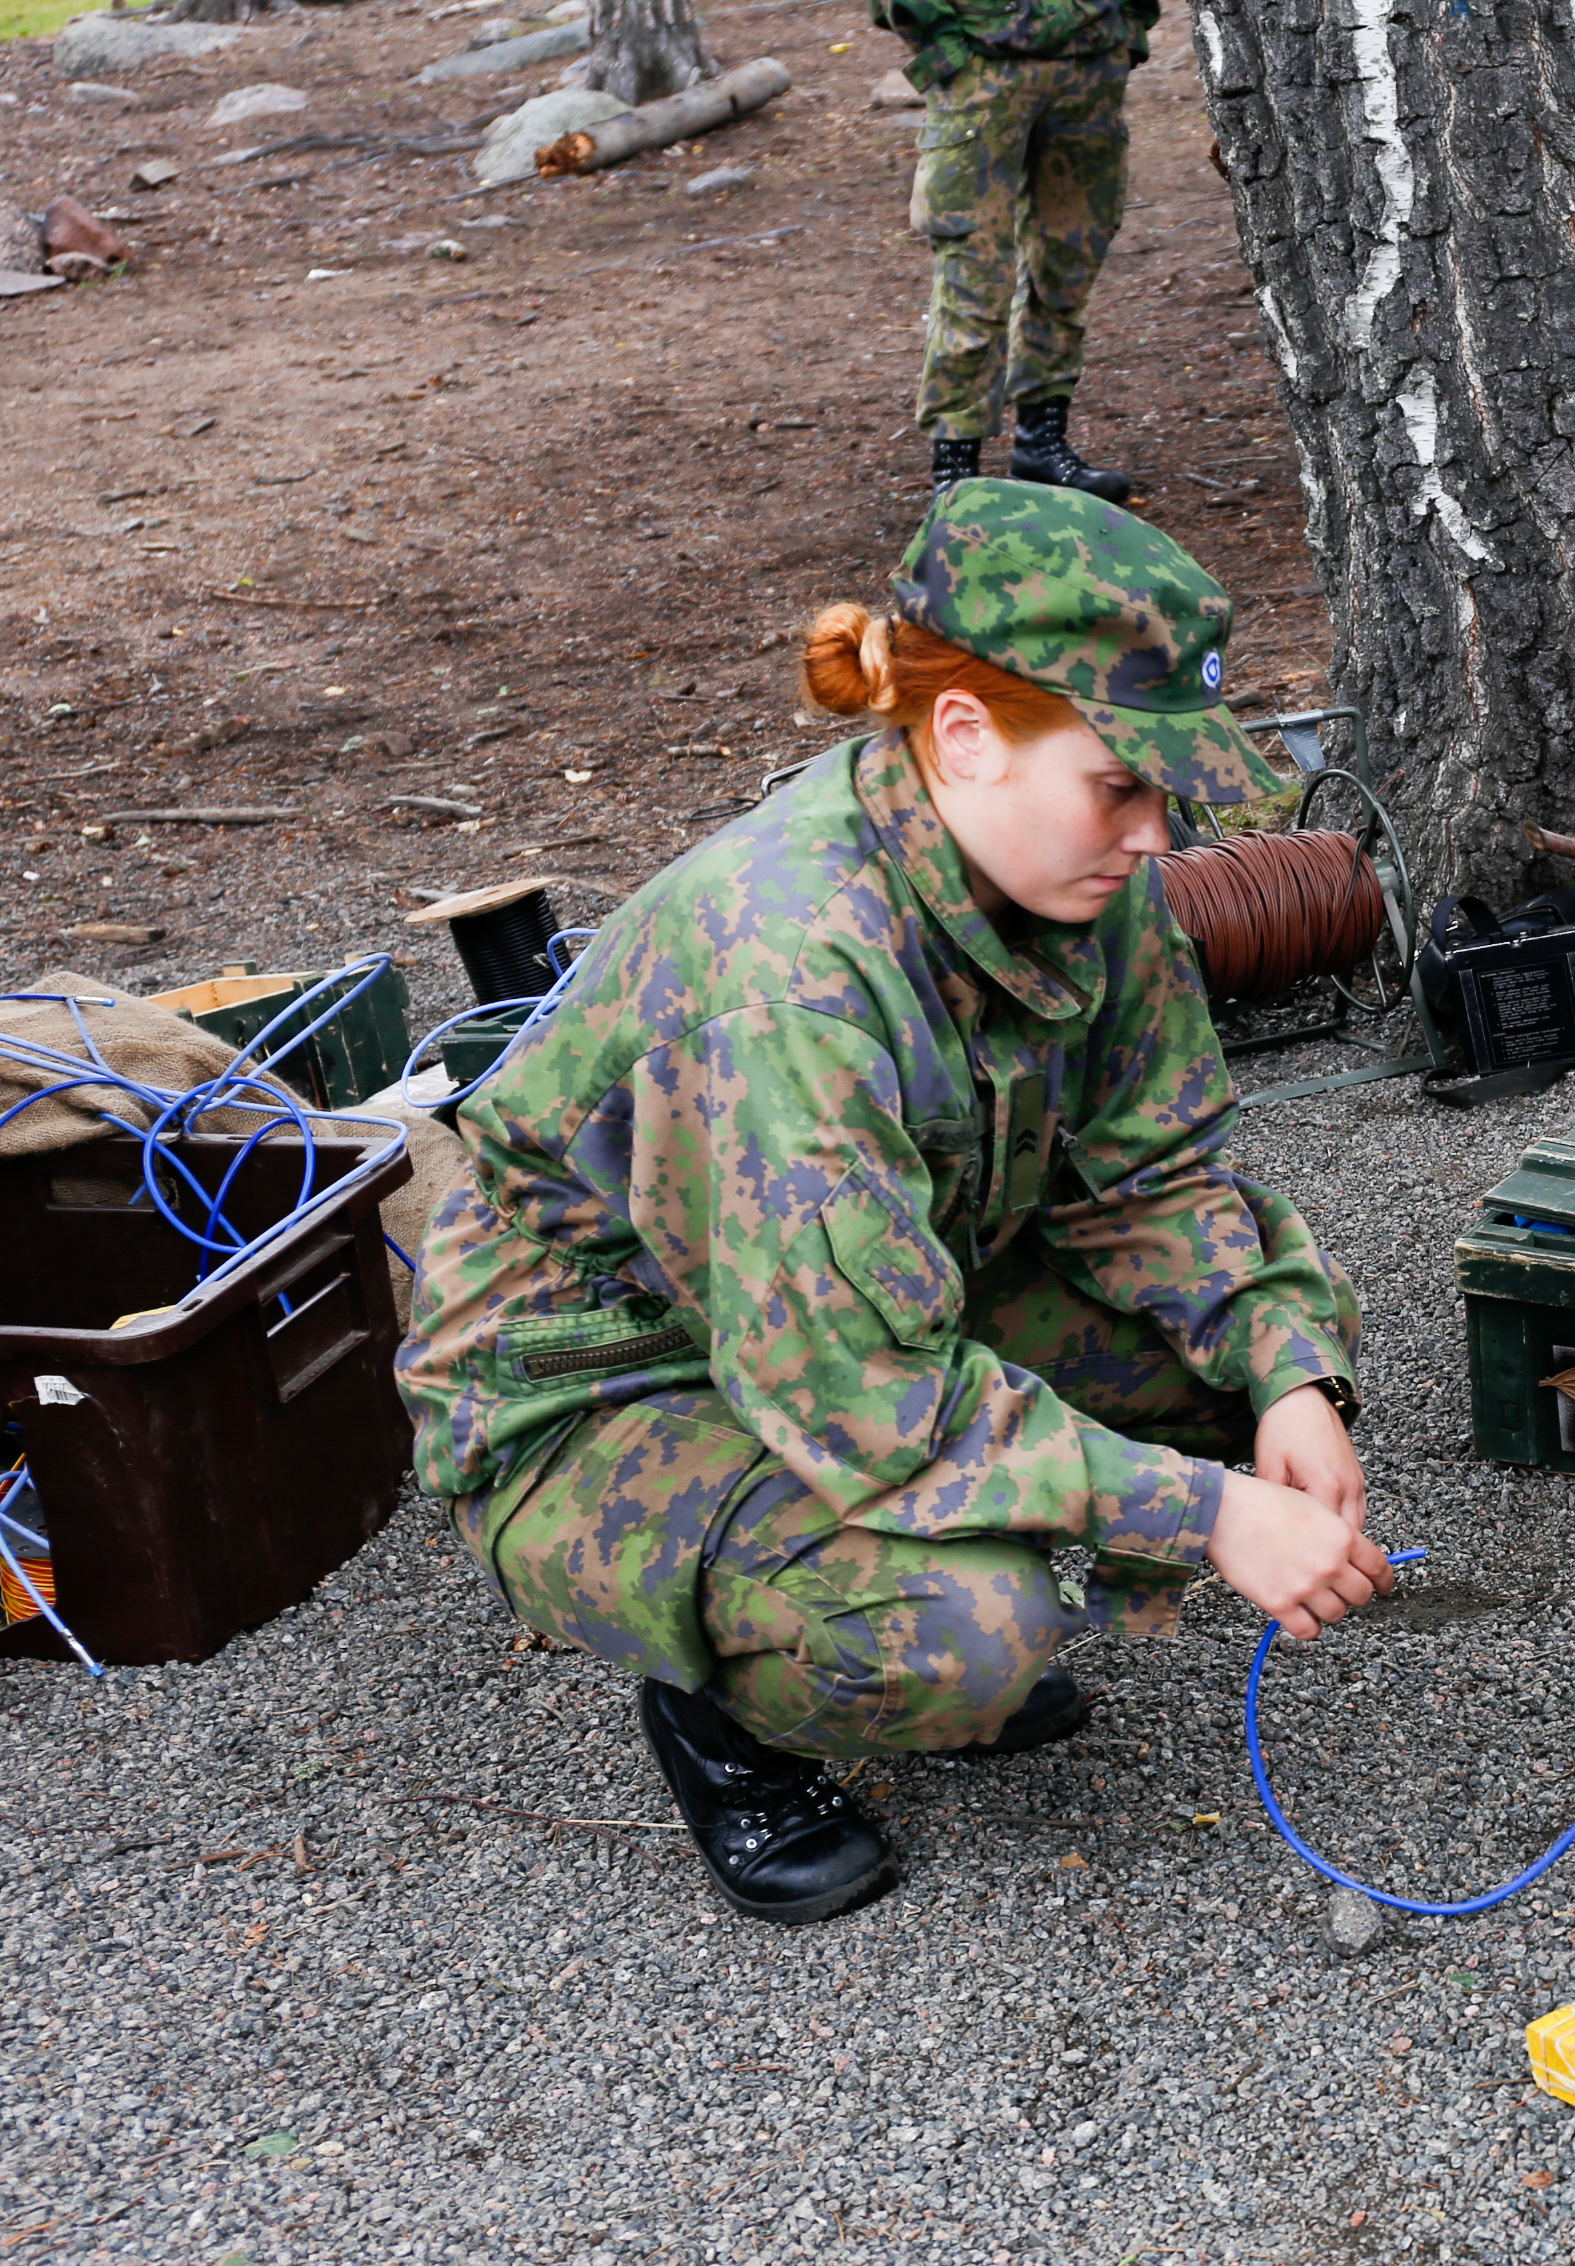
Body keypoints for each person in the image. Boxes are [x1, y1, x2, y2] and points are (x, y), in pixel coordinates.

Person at [398, 482, 1394, 1925]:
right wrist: (1207, 1514)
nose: (1154, 830)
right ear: (966, 735)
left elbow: (1157, 1172)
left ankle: (895, 1557)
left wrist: (1284, 1375)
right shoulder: (789, 966)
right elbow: (860, 1389)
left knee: (1231, 1362)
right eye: (1120, 781)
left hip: (849, 1303)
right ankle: (721, 1703)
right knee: (968, 1637)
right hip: (603, 1381)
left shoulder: (1082, 880)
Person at [873, 0, 1154, 498]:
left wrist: (1128, 32)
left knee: (1069, 259)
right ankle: (957, 472)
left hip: (1091, 65)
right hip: (984, 72)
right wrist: (946, 54)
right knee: (974, 272)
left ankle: (1041, 446)